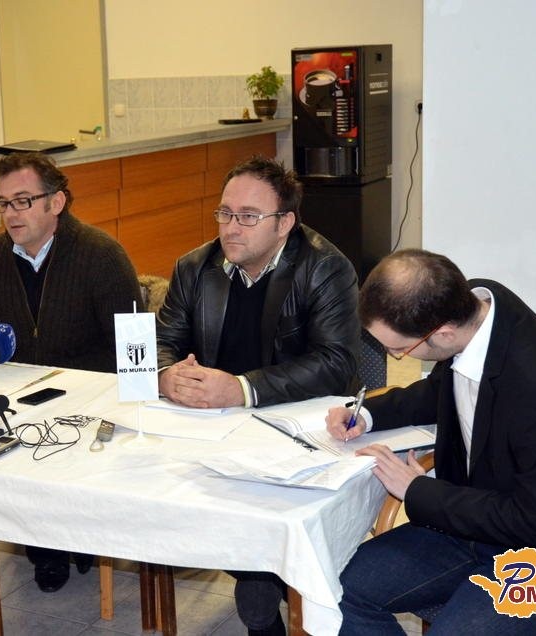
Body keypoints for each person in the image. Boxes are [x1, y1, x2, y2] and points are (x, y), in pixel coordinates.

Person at [328, 249, 536, 634]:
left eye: (399, 350)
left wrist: (417, 491)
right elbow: (441, 388)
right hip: (472, 525)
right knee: (335, 593)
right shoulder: (475, 306)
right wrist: (366, 413)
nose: (392, 355)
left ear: (443, 333)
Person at [156, 156, 360, 635]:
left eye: (248, 216)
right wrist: (165, 376)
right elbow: (162, 340)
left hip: (295, 425)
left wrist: (243, 388)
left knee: (265, 519)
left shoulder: (325, 267)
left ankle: (265, 585)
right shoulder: (194, 266)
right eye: (225, 213)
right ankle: (260, 580)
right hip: (209, 424)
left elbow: (336, 363)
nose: (231, 228)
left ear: (284, 223)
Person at [0, 151, 142, 592]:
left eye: (23, 201)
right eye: (3, 203)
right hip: (21, 396)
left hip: (91, 400)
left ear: (56, 202)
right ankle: (44, 546)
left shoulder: (102, 255)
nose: (10, 214)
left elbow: (134, 351)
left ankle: (73, 536)